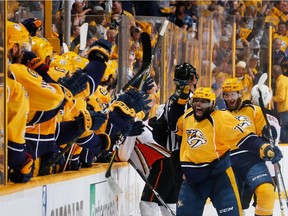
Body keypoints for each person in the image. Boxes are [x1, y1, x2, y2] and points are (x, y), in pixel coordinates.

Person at [167, 86, 282, 216]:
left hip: (219, 178)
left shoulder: (221, 118)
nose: (199, 104)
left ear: (212, 105)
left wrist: (264, 149)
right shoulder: (187, 116)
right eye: (196, 101)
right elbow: (173, 125)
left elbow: (245, 138)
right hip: (192, 181)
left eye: (204, 101)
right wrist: (181, 98)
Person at [222, 78, 282, 216]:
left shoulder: (254, 110)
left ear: (240, 94)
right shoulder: (218, 115)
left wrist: (269, 135)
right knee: (234, 203)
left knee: (267, 192)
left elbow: (265, 133)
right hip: (228, 161)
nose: (230, 98)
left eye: (233, 94)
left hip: (252, 160)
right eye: (226, 94)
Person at [272, 65, 288, 143]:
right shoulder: (286, 79)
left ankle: (285, 143)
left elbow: (281, 97)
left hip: (284, 108)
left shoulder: (280, 82)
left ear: (274, 74)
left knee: (282, 127)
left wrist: (272, 98)